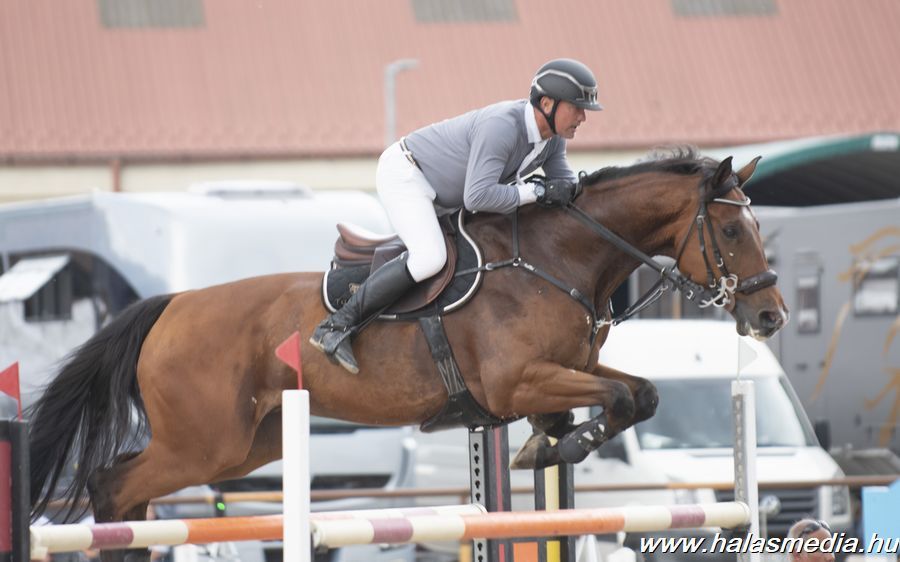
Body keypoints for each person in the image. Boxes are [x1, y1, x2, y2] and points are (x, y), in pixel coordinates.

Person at [310, 58, 603, 373]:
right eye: (577, 107)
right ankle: (336, 326)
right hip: (408, 174)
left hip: (445, 193)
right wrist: (537, 192)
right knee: (429, 258)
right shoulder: (503, 126)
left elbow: (565, 186)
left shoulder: (552, 140)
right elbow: (477, 195)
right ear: (547, 103)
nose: (583, 117)